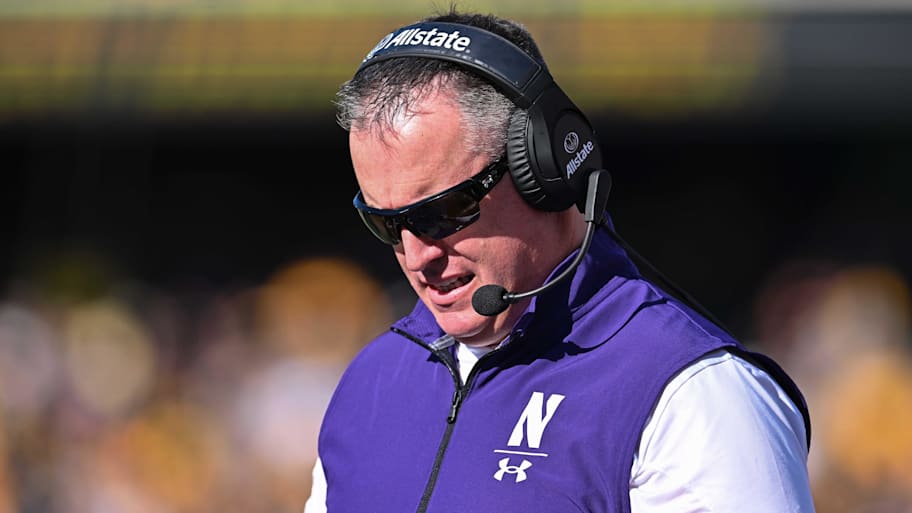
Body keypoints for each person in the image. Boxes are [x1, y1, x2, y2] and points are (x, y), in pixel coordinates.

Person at [305, 8, 815, 513]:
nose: (418, 255)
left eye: (441, 212)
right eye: (386, 223)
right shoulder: (369, 383)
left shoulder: (695, 396)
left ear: (543, 169)